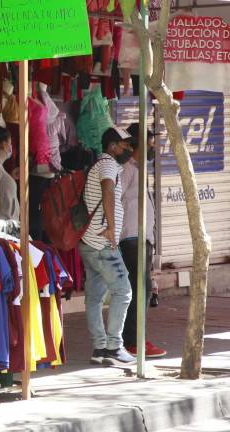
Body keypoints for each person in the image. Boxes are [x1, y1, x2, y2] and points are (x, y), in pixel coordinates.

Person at [80, 126, 137, 366]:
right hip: (102, 242)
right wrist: (112, 228)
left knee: (94, 297)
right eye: (125, 145)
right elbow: (108, 191)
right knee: (123, 291)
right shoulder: (107, 165)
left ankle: (100, 349)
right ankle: (114, 347)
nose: (129, 149)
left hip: (89, 241)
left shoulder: (102, 164)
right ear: (112, 146)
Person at [120, 123, 167, 358]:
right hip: (132, 238)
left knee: (142, 289)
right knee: (140, 290)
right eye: (150, 144)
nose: (153, 148)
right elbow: (115, 200)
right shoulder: (127, 169)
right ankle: (133, 341)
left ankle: (134, 338)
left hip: (141, 238)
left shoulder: (139, 169)